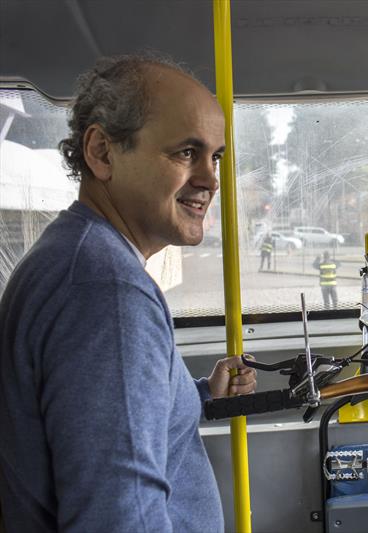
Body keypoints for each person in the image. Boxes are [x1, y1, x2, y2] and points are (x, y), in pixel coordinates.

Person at [0, 55, 257, 532]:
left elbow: (101, 422)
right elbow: (119, 519)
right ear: (102, 151)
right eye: (186, 152)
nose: (210, 179)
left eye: (214, 156)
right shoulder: (106, 292)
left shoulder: (79, 256)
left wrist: (197, 394)